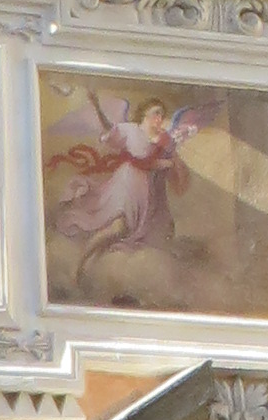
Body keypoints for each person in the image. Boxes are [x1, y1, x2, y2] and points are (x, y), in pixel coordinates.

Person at [49, 92, 201, 285]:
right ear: (143, 115)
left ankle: (93, 269)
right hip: (127, 184)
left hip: (147, 193)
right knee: (117, 227)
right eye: (155, 113)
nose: (159, 118)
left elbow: (168, 165)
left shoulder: (163, 141)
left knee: (151, 234)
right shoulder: (131, 130)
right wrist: (97, 107)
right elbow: (110, 130)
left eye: (161, 114)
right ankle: (79, 266)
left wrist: (170, 165)